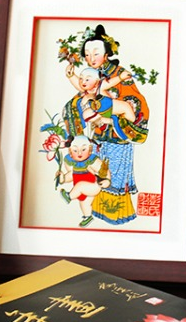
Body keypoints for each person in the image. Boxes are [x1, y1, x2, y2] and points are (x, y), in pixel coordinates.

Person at [62, 24, 149, 226]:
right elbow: (81, 93)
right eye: (87, 54)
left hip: (117, 135)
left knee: (114, 174)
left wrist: (109, 117)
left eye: (96, 53)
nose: (91, 58)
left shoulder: (118, 73)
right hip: (99, 135)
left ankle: (117, 216)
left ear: (107, 53)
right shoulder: (89, 74)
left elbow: (135, 102)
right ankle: (94, 213)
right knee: (97, 173)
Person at [57, 134, 110, 227]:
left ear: (89, 150)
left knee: (80, 185)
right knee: (84, 204)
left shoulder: (92, 161)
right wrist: (62, 178)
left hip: (93, 186)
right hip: (82, 191)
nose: (79, 153)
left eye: (83, 149)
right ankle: (88, 217)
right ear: (70, 152)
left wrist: (107, 180)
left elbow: (104, 171)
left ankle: (69, 197)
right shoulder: (73, 164)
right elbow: (71, 176)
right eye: (75, 150)